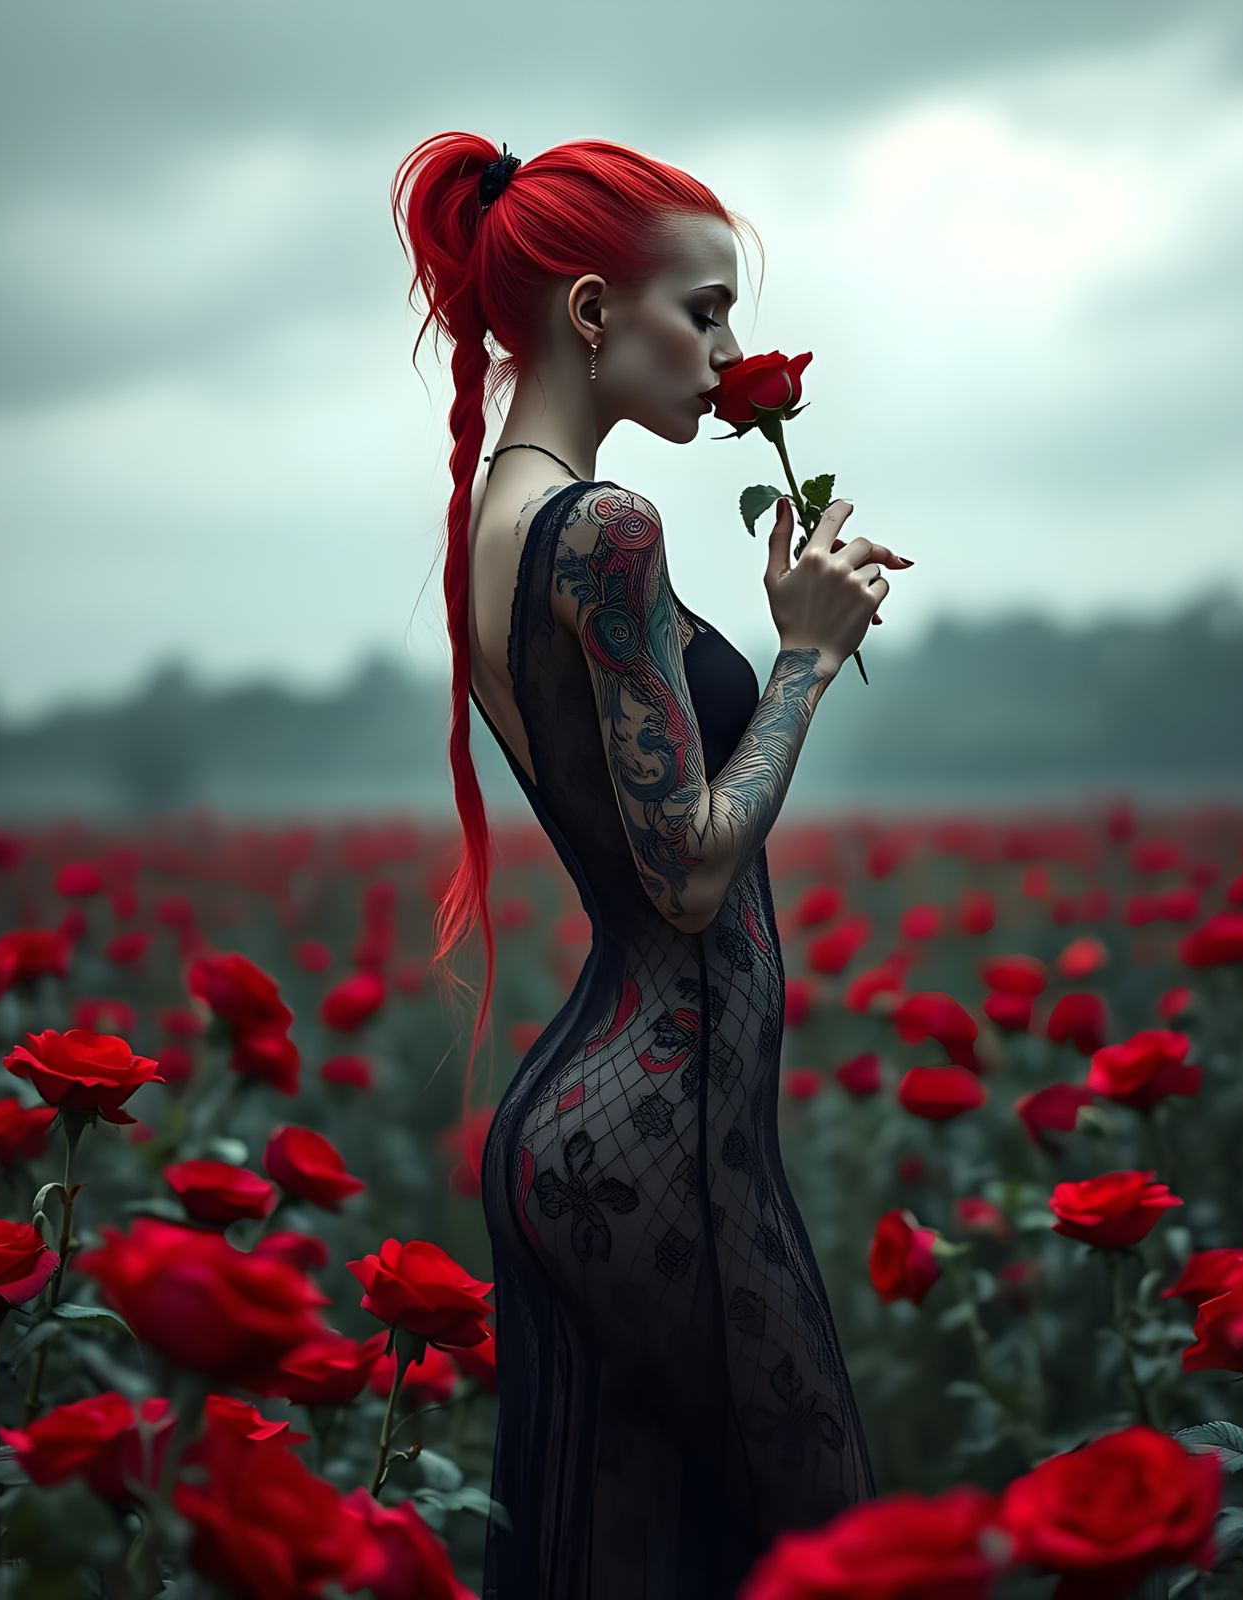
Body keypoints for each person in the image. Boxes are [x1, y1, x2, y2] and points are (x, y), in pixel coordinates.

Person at [392, 133, 910, 1599]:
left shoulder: (497, 523)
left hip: (607, 1131)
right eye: (706, 309)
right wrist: (805, 660)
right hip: (658, 1141)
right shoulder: (605, 528)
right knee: (833, 1555)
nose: (730, 354)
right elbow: (684, 874)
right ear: (591, 312)